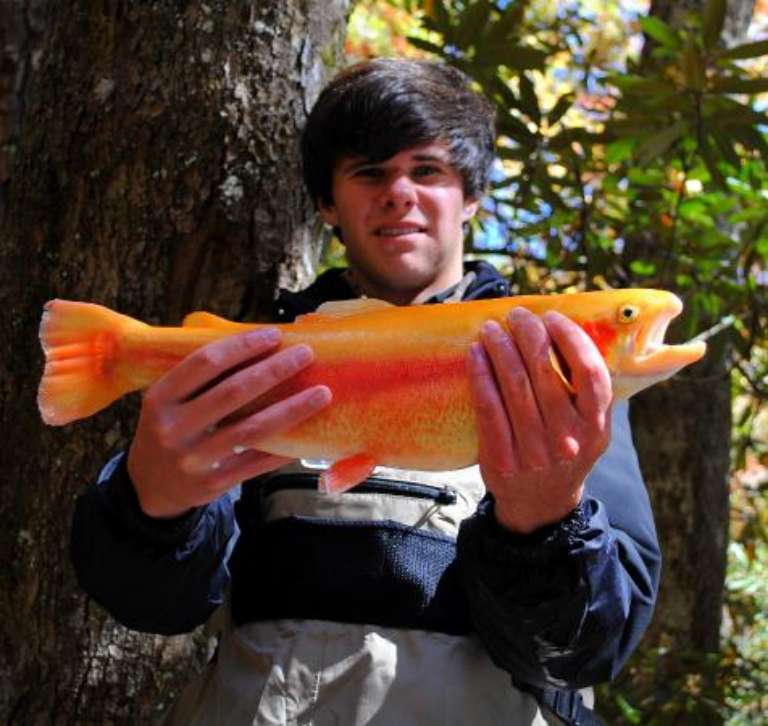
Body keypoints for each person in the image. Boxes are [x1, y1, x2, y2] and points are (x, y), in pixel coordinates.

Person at [71, 58, 660, 725]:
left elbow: (589, 650)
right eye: (370, 172)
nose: (399, 193)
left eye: (428, 171)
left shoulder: (565, 384)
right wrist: (152, 505)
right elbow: (156, 606)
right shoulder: (257, 366)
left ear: (471, 196)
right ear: (328, 203)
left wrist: (548, 523)